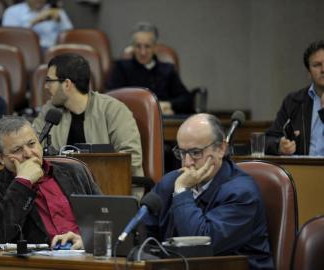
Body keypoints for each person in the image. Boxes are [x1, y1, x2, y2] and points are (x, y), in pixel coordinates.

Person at [144, 113, 273, 270]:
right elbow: (143, 231)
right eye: (182, 153)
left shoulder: (242, 193)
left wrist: (182, 191)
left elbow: (199, 246)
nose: (187, 162)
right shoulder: (170, 182)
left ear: (221, 149)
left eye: (196, 153)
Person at [0, 116, 101, 247]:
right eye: (17, 150)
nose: (28, 153)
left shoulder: (75, 172)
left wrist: (88, 241)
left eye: (32, 144)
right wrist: (23, 182)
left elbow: (106, 219)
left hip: (85, 255)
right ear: (0, 158)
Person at [33, 53, 144, 177]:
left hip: (107, 187)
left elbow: (131, 158)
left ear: (67, 84)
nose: (46, 86)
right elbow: (32, 147)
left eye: (49, 81)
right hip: (60, 188)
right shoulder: (50, 111)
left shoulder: (113, 110)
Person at [106, 22, 195, 115]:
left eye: (147, 46)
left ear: (155, 48)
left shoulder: (168, 70)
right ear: (132, 47)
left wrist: (168, 104)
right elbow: (112, 98)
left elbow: (186, 99)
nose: (142, 52)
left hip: (163, 121)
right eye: (138, 46)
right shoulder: (121, 68)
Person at [266, 40, 324, 156]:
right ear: (309, 73)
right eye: (317, 65)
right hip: (301, 170)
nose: (323, 69)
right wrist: (279, 145)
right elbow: (269, 139)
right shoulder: (294, 101)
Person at [2, 0, 73, 51]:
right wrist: (34, 22)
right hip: (27, 52)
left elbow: (71, 34)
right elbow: (11, 38)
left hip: (54, 50)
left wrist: (60, 21)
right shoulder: (12, 12)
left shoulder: (55, 10)